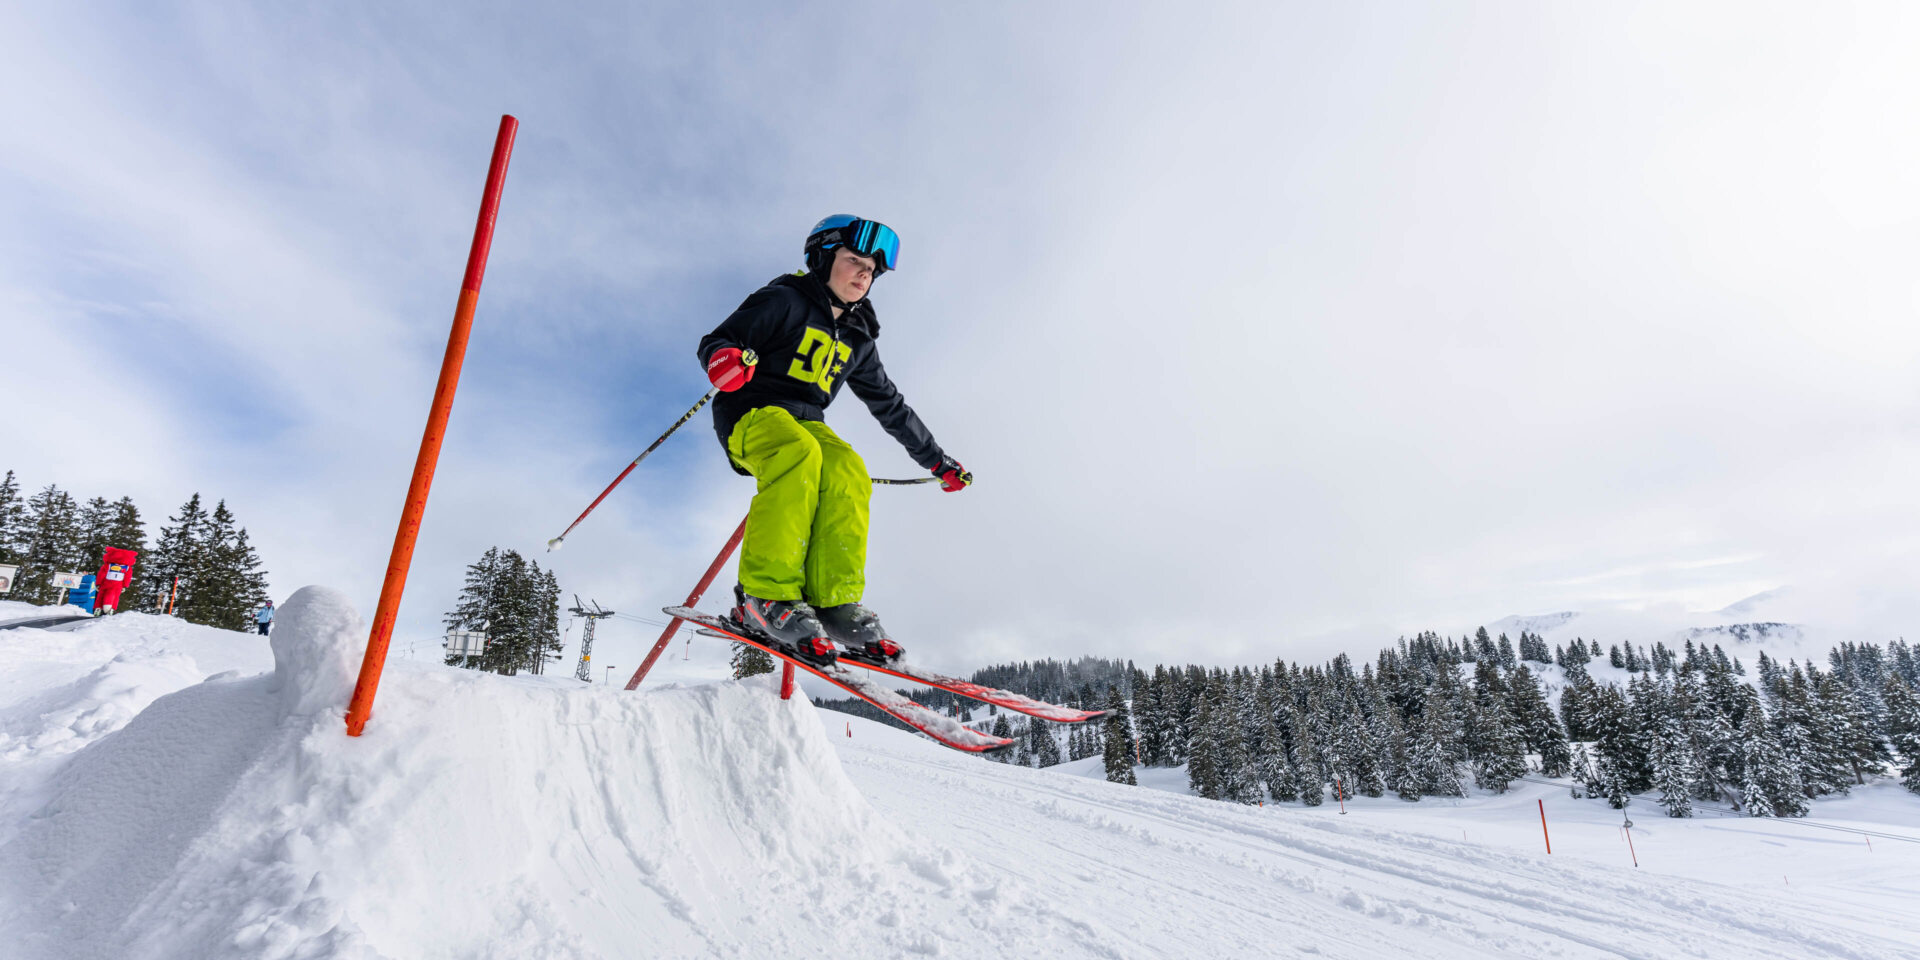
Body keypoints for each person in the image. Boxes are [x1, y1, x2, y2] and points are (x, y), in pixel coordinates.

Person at [697, 215, 970, 666]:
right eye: (854, 261)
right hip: (751, 412)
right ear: (823, 259)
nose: (864, 274)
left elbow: (890, 404)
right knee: (798, 453)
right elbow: (720, 338)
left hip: (808, 421)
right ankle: (763, 596)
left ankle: (834, 602)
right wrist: (724, 359)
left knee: (847, 468)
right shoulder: (784, 300)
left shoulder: (859, 337)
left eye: (871, 270)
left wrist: (937, 461)